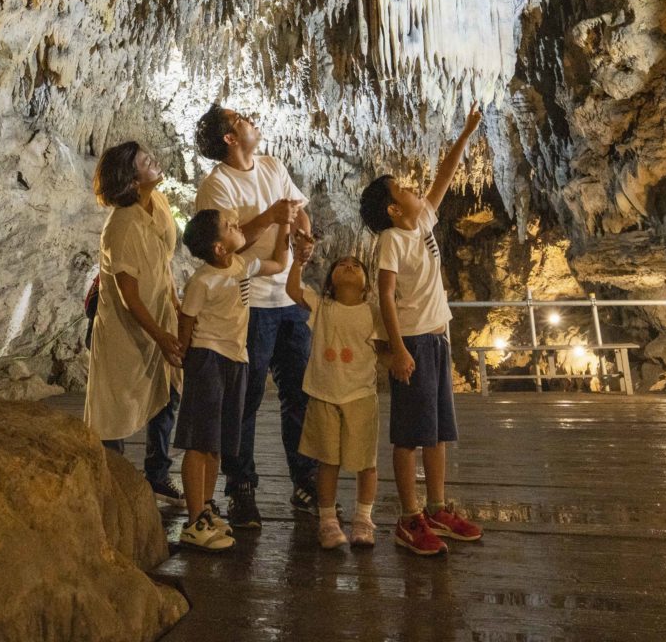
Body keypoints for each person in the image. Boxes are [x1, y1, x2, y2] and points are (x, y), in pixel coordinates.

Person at [361, 105, 486, 556]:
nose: (416, 189)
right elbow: (386, 295)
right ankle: (409, 518)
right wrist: (396, 350)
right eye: (404, 189)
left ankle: (437, 507)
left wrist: (466, 132)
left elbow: (446, 174)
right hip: (411, 341)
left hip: (436, 336)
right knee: (409, 433)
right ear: (394, 209)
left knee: (436, 431)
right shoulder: (392, 240)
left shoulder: (424, 221)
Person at [192, 103, 312, 527]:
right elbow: (223, 247)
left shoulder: (272, 164)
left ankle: (306, 481)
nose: (250, 117)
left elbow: (297, 208)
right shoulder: (217, 188)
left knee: (300, 392)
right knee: (245, 399)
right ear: (229, 137)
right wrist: (269, 218)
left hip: (287, 300)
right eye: (240, 116)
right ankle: (240, 486)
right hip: (250, 302)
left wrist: (303, 233)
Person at [172, 207, 291, 551]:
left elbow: (279, 264)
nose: (236, 225)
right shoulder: (202, 280)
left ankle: (206, 510)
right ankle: (194, 521)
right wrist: (184, 356)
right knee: (199, 441)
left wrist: (285, 224)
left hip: (235, 359)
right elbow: (187, 321)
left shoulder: (241, 266)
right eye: (228, 226)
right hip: (208, 356)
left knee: (216, 443)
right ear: (219, 248)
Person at [83, 142, 184, 500]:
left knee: (167, 393)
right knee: (115, 402)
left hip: (159, 317)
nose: (153, 160)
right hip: (126, 329)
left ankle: (157, 472)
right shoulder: (122, 227)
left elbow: (163, 261)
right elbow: (128, 294)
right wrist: (158, 335)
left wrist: (173, 303)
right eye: (144, 161)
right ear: (129, 178)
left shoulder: (156, 205)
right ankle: (111, 475)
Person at [283, 232, 383, 550]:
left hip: (361, 394)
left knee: (366, 461)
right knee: (327, 461)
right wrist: (298, 262)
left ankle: (363, 519)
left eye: (356, 264)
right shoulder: (322, 306)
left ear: (367, 282)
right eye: (341, 265)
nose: (349, 265)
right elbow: (292, 289)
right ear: (330, 282)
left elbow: (385, 345)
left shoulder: (373, 311)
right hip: (324, 393)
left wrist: (401, 361)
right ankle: (328, 520)